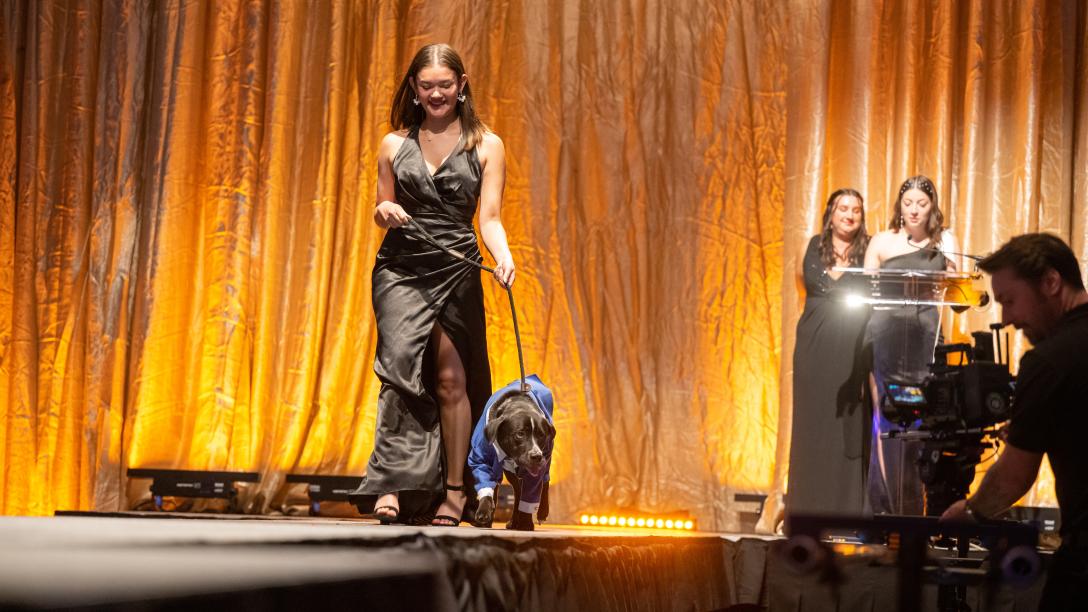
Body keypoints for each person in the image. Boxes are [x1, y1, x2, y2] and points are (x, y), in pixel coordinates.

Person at [351, 43, 515, 526]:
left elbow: (488, 218)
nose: (437, 93)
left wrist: (502, 256)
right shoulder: (392, 144)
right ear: (414, 90)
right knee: (399, 375)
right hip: (401, 269)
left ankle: (455, 491)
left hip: (455, 267)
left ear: (462, 87)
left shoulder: (487, 145)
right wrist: (383, 211)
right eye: (427, 86)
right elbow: (383, 209)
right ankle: (394, 486)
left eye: (446, 84)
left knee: (450, 381)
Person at [941, 233, 1088, 610]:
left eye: (1009, 300)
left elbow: (1013, 478)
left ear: (1051, 282)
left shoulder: (1047, 362)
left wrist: (971, 513)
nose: (1006, 319)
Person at [863, 175, 961, 515]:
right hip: (887, 336)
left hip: (925, 338)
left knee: (921, 418)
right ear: (899, 206)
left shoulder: (944, 238)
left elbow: (957, 288)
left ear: (932, 206)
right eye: (908, 204)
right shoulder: (882, 240)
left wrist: (948, 263)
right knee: (888, 417)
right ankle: (884, 509)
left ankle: (917, 509)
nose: (915, 210)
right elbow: (867, 291)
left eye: (922, 203)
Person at [787, 188, 872, 518]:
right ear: (830, 213)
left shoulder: (870, 250)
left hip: (852, 349)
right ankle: (805, 512)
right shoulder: (810, 246)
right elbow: (801, 290)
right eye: (843, 208)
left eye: (856, 210)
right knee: (812, 428)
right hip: (812, 349)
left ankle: (847, 513)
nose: (849, 215)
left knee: (848, 428)